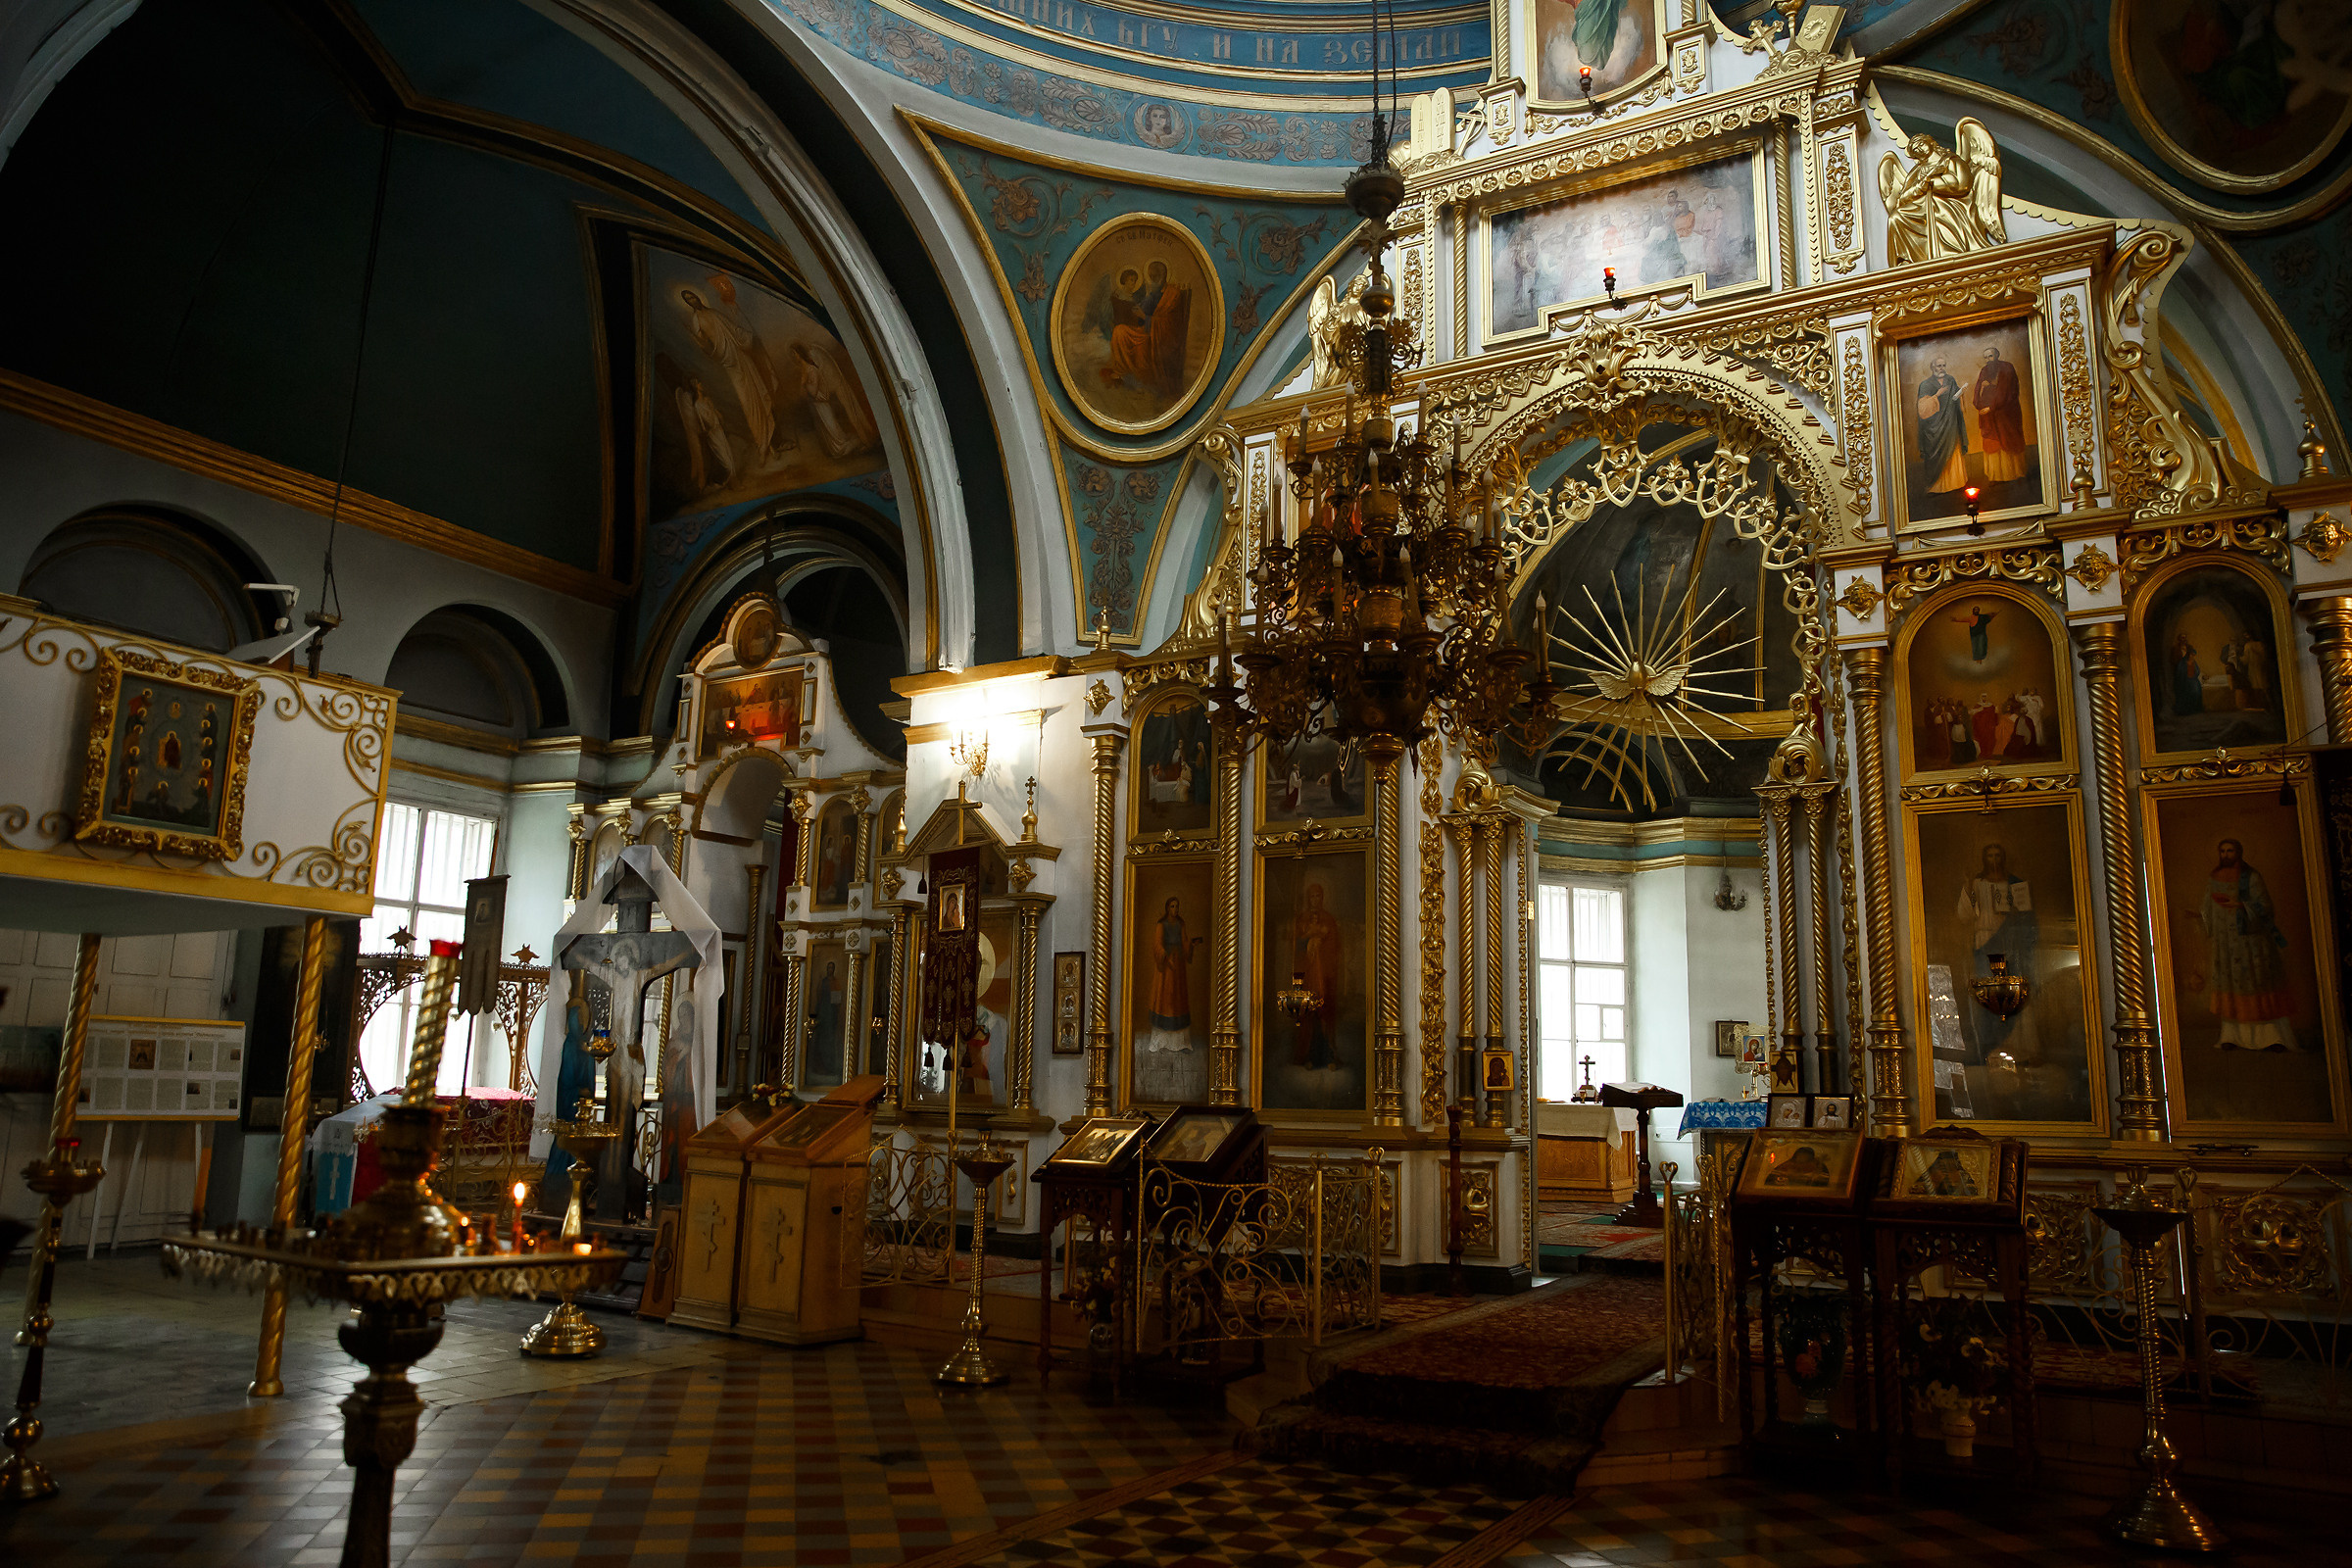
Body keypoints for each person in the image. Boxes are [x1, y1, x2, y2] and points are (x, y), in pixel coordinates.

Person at [2191, 837, 2301, 1052]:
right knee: (2231, 989)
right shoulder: (2214, 878)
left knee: (2258, 986)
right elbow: (2208, 907)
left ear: (2238, 853)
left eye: (2230, 851)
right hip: (2226, 948)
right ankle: (2232, 1037)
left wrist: (2241, 905)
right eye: (2222, 851)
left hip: (2252, 946)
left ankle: (2272, 1038)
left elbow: (2266, 907)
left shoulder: (2251, 877)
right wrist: (2201, 916)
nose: (2225, 855)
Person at [679, 286, 782, 466]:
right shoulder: (696, 319)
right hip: (729, 362)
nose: (692, 300)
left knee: (760, 396)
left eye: (693, 296)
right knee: (749, 405)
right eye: (688, 299)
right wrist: (696, 338)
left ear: (697, 297)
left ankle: (771, 445)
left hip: (741, 357)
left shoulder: (714, 313)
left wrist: (750, 337)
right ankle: (762, 446)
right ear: (688, 303)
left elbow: (733, 329)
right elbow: (705, 345)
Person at [1957, 842, 2037, 1060]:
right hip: (1984, 941)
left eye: (1997, 856)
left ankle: (2017, 1045)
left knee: (2013, 990)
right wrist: (1967, 886)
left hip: (2009, 943)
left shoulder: (2014, 884)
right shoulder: (1977, 883)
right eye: (1990, 856)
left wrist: (2014, 914)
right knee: (1986, 991)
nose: (1994, 860)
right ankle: (1989, 1046)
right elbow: (1965, 915)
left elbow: (2026, 917)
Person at [794, 340, 877, 460]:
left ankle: (866, 440)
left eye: (795, 354)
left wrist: (806, 383)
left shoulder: (813, 361)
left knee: (850, 414)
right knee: (838, 423)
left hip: (833, 389)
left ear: (800, 353)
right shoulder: (809, 364)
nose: (795, 357)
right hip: (825, 396)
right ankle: (864, 440)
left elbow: (817, 383)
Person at [1290, 880, 1343, 1069]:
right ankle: (1309, 1057)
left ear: (1322, 898)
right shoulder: (1302, 919)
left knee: (1324, 1014)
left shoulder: (1329, 919)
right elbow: (1295, 946)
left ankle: (1328, 1057)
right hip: (1309, 975)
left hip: (1325, 975)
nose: (1315, 899)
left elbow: (1335, 946)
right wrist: (1309, 941)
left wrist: (1321, 941)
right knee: (1309, 1014)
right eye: (1311, 896)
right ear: (1308, 898)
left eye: (1318, 896)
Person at [1146, 897, 1204, 1054]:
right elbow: (1157, 945)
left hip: (1178, 967)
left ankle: (1179, 1042)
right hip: (1166, 968)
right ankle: (1162, 1041)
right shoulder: (1161, 924)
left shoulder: (1181, 923)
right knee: (1166, 998)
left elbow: (1184, 942)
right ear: (1167, 908)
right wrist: (1166, 956)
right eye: (1172, 906)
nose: (1175, 909)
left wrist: (1191, 945)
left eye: (1177, 906)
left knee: (1177, 999)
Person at [1973, 345, 2030, 484]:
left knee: (2008, 440)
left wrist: (1991, 406)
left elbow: (2007, 391)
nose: (1988, 360)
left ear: (1997, 355)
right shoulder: (1984, 370)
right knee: (1993, 443)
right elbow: (1978, 388)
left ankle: (2014, 475)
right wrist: (1980, 404)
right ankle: (1995, 476)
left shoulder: (2007, 367)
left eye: (1990, 356)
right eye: (1985, 357)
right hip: (1989, 416)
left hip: (2006, 413)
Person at [1916, 355, 1970, 495]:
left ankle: (1956, 482)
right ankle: (1938, 486)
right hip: (1934, 427)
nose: (1942, 368)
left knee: (1954, 449)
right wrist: (1937, 395)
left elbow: (1955, 398)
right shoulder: (1926, 385)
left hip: (1951, 422)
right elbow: (1922, 408)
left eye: (1944, 365)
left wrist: (1961, 393)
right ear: (1932, 367)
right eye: (1939, 366)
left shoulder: (1950, 380)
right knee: (1937, 454)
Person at [2171, 633, 2206, 717]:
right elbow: (2180, 671)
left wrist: (2194, 676)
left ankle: (2195, 709)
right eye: (2182, 638)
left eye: (2185, 638)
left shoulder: (2192, 658)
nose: (2184, 639)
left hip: (2192, 679)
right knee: (2184, 690)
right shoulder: (2180, 660)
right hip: (2184, 679)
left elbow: (2197, 670)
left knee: (2197, 689)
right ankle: (2185, 710)